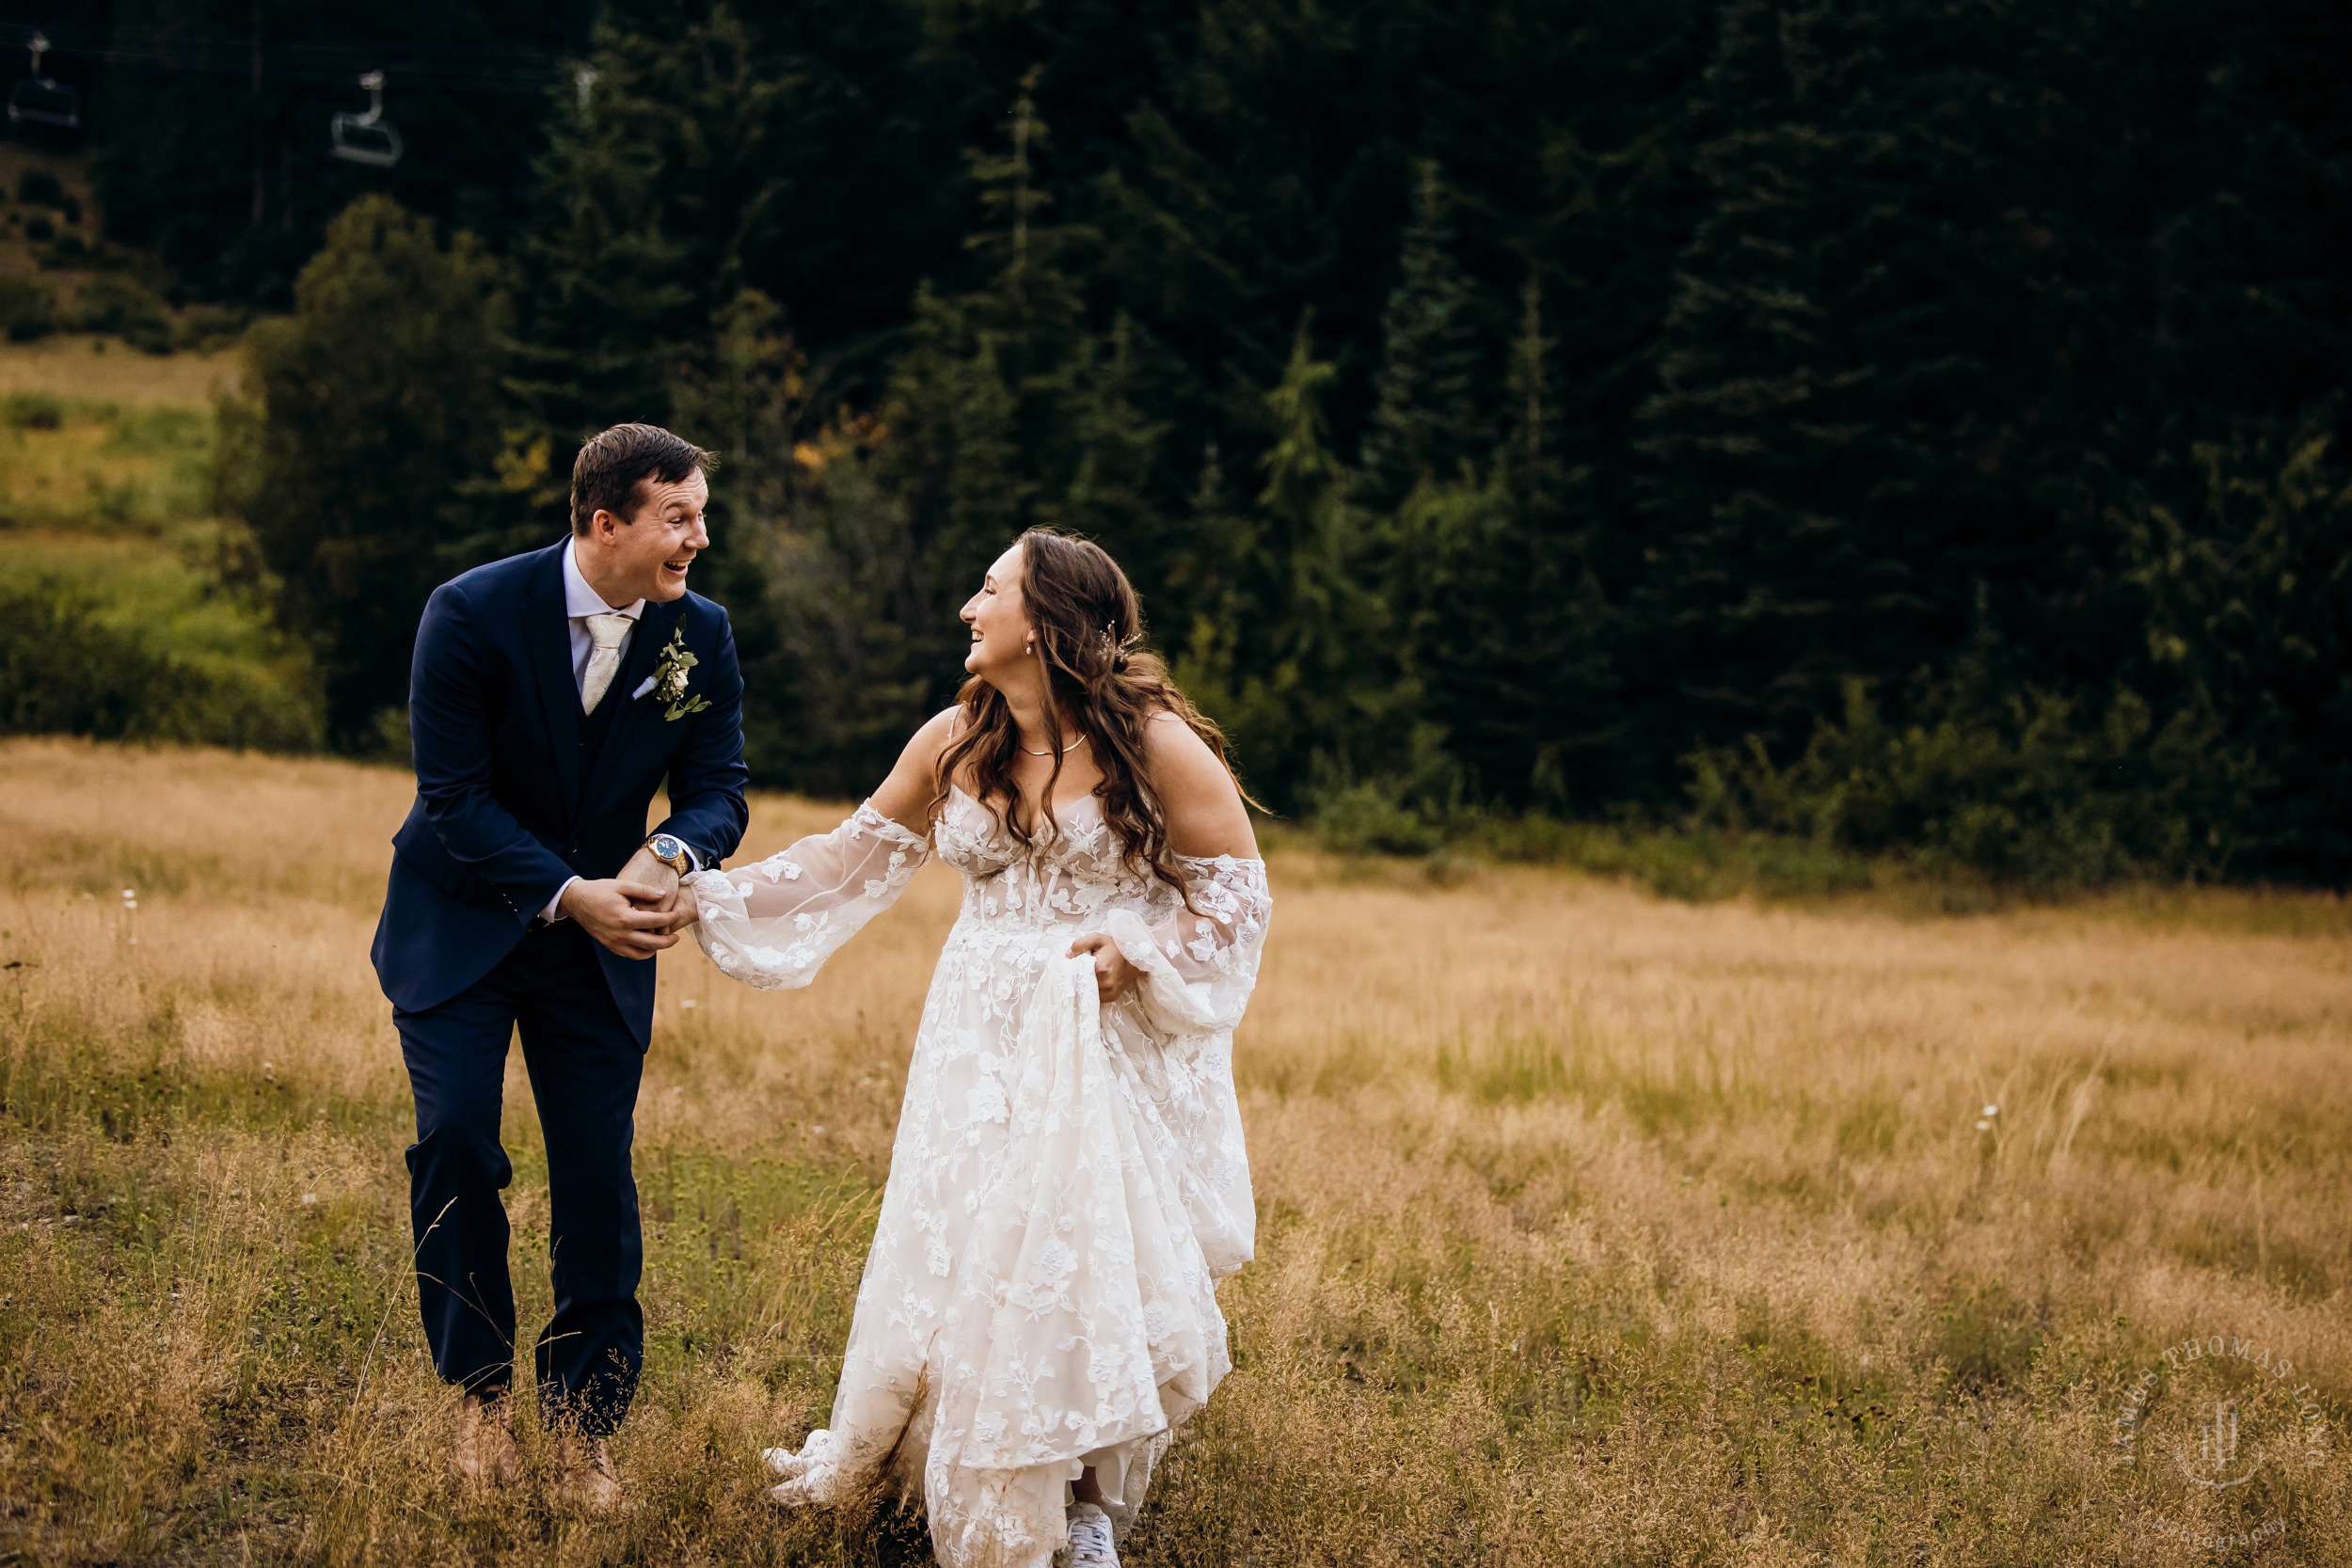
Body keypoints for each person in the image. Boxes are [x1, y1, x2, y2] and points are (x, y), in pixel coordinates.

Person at [681, 529, 1268, 1568]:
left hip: (1094, 1035)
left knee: (1075, 1251)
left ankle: (1078, 1499)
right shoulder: (952, 741)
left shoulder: (1154, 743)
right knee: (969, 1246)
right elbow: (845, 860)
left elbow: (1234, 891)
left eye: (987, 590)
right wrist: (703, 892)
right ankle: (944, 1444)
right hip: (975, 1031)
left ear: (1041, 624)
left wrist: (1136, 953)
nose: (967, 606)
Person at [370, 423, 750, 1506]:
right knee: (454, 1143)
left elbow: (720, 783)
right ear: (604, 521)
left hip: (604, 946)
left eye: (700, 514)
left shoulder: (701, 634)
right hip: (462, 923)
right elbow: (453, 797)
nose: (698, 538)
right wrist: (570, 892)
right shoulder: (471, 611)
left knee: (595, 1174)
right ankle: (481, 1400)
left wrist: (668, 850)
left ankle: (586, 1425)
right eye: (679, 516)